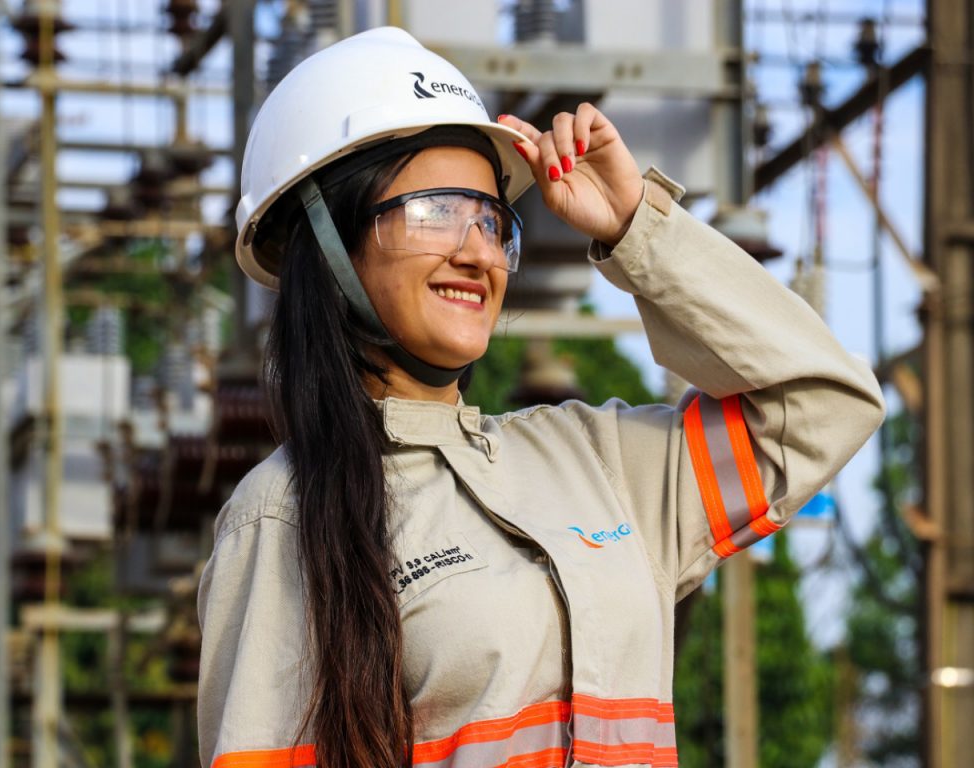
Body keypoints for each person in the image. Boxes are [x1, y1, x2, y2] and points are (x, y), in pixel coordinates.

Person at [197, 26, 884, 768]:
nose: (479, 251)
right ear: (326, 240)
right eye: (435, 211)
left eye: (491, 219)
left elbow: (824, 404)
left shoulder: (603, 465)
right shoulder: (280, 517)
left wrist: (637, 230)